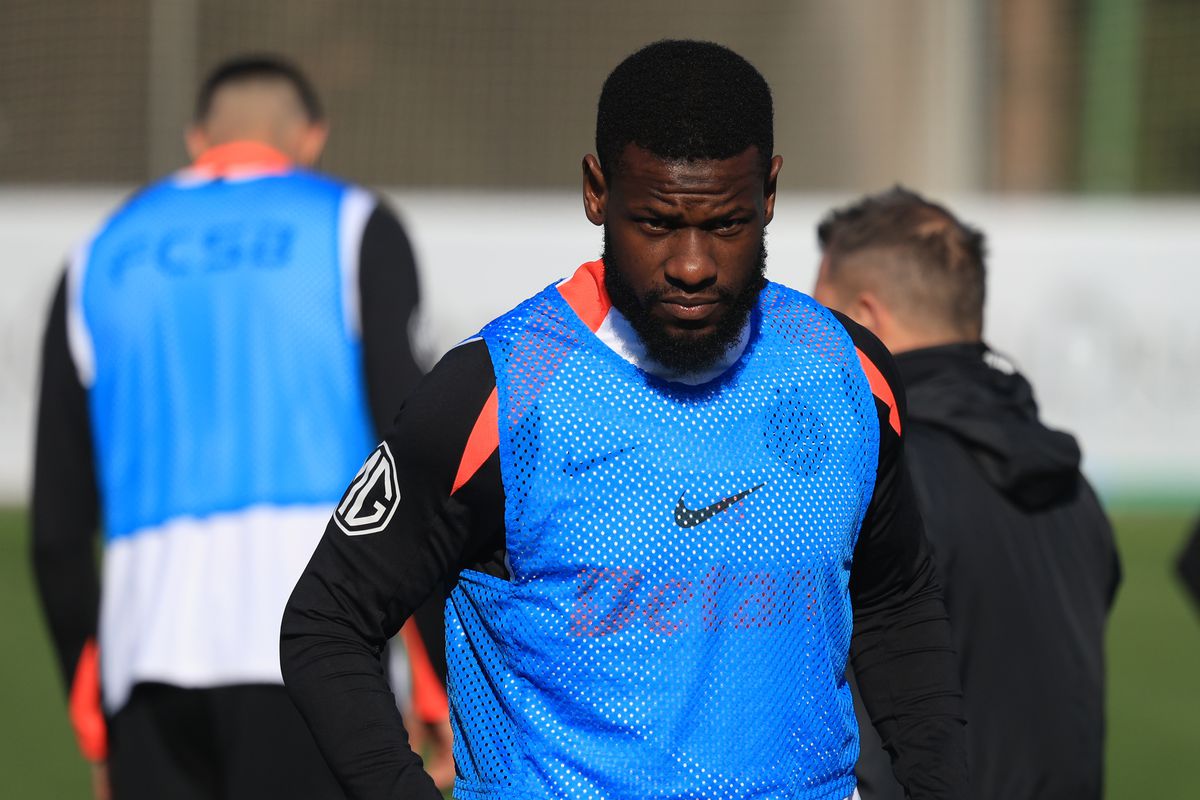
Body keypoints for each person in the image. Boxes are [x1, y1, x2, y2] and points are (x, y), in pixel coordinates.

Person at [282, 40, 968, 800]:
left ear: (770, 193)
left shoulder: (849, 374)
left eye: (727, 224)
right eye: (657, 223)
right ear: (596, 192)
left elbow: (896, 600)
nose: (692, 264)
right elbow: (326, 623)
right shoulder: (496, 395)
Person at [30, 55, 434, 799]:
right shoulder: (353, 225)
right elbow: (415, 461)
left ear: (196, 139)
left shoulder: (96, 254)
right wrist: (440, 680)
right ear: (311, 137)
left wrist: (96, 719)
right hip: (323, 642)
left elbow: (56, 532)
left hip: (146, 658)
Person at [812, 186, 1122, 800]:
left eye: (824, 319)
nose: (803, 346)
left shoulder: (879, 472)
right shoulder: (1073, 487)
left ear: (867, 320)